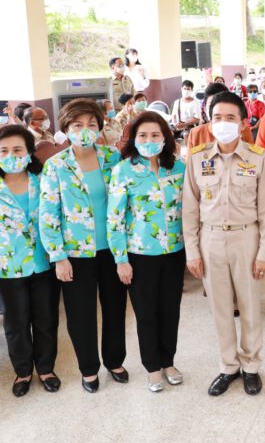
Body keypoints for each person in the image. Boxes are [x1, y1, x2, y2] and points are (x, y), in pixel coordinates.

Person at [182, 92, 265, 397]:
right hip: (210, 239)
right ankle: (228, 366)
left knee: (249, 306)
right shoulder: (196, 158)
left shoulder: (258, 158)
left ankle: (251, 366)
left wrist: (264, 253)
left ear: (242, 122)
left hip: (245, 238)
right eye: (217, 118)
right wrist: (193, 251)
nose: (223, 123)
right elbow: (190, 209)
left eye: (230, 118)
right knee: (220, 308)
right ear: (209, 122)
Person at [39, 98, 127, 393]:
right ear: (66, 128)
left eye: (91, 124)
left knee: (116, 308)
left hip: (113, 249)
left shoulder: (112, 158)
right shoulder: (56, 166)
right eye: (78, 125)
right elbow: (48, 213)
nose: (85, 130)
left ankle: (115, 361)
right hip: (75, 253)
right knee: (80, 314)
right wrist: (58, 256)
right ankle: (89, 369)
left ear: (100, 128)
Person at [106, 112, 186, 392]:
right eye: (143, 135)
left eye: (155, 135)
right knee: (146, 313)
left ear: (165, 137)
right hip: (139, 255)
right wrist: (121, 261)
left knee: (170, 311)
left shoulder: (178, 167)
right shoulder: (123, 170)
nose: (149, 140)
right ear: (134, 139)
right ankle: (152, 367)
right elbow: (114, 219)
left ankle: (168, 361)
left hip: (174, 252)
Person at [0, 125, 60, 397]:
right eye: (3, 151)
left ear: (29, 152)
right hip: (8, 267)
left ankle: (46, 368)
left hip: (44, 262)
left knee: (46, 319)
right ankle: (23, 371)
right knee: (16, 322)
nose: (11, 155)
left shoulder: (43, 180)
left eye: (17, 149)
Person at [186, 83, 255, 148]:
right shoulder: (195, 134)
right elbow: (190, 160)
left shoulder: (243, 130)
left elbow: (251, 157)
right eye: (211, 106)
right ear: (205, 108)